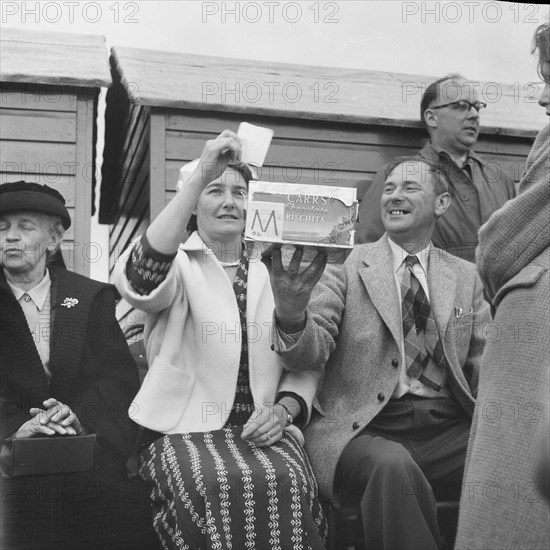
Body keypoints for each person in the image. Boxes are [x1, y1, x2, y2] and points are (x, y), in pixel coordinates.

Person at [113, 130, 327, 550]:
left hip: (263, 429)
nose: (229, 201)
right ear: (193, 204)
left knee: (286, 480)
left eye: (240, 192)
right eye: (214, 190)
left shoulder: (278, 267)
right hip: (183, 429)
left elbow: (308, 360)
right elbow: (140, 280)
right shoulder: (176, 262)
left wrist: (283, 413)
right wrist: (199, 174)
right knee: (205, 481)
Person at [270, 157, 491, 550]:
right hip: (365, 427)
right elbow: (307, 355)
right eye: (389, 188)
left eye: (409, 188)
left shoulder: (465, 275)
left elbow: (484, 366)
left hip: (447, 427)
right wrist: (291, 313)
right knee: (393, 466)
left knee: (516, 455)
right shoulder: (344, 265)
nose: (394, 196)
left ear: (441, 203)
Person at [0, 181, 157, 550]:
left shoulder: (89, 297)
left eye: (24, 227)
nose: (10, 237)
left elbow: (116, 378)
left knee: (113, 504)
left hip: (78, 442)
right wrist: (17, 427)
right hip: (6, 447)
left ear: (53, 240)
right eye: (2, 227)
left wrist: (76, 413)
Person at [455, 22, 550, 550]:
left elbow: (497, 245)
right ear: (430, 119)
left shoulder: (497, 174)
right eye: (460, 106)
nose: (540, 95)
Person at [355, 74, 516, 262]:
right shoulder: (396, 176)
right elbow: (367, 250)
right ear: (432, 117)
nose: (474, 115)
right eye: (461, 106)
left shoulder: (500, 180)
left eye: (477, 107)